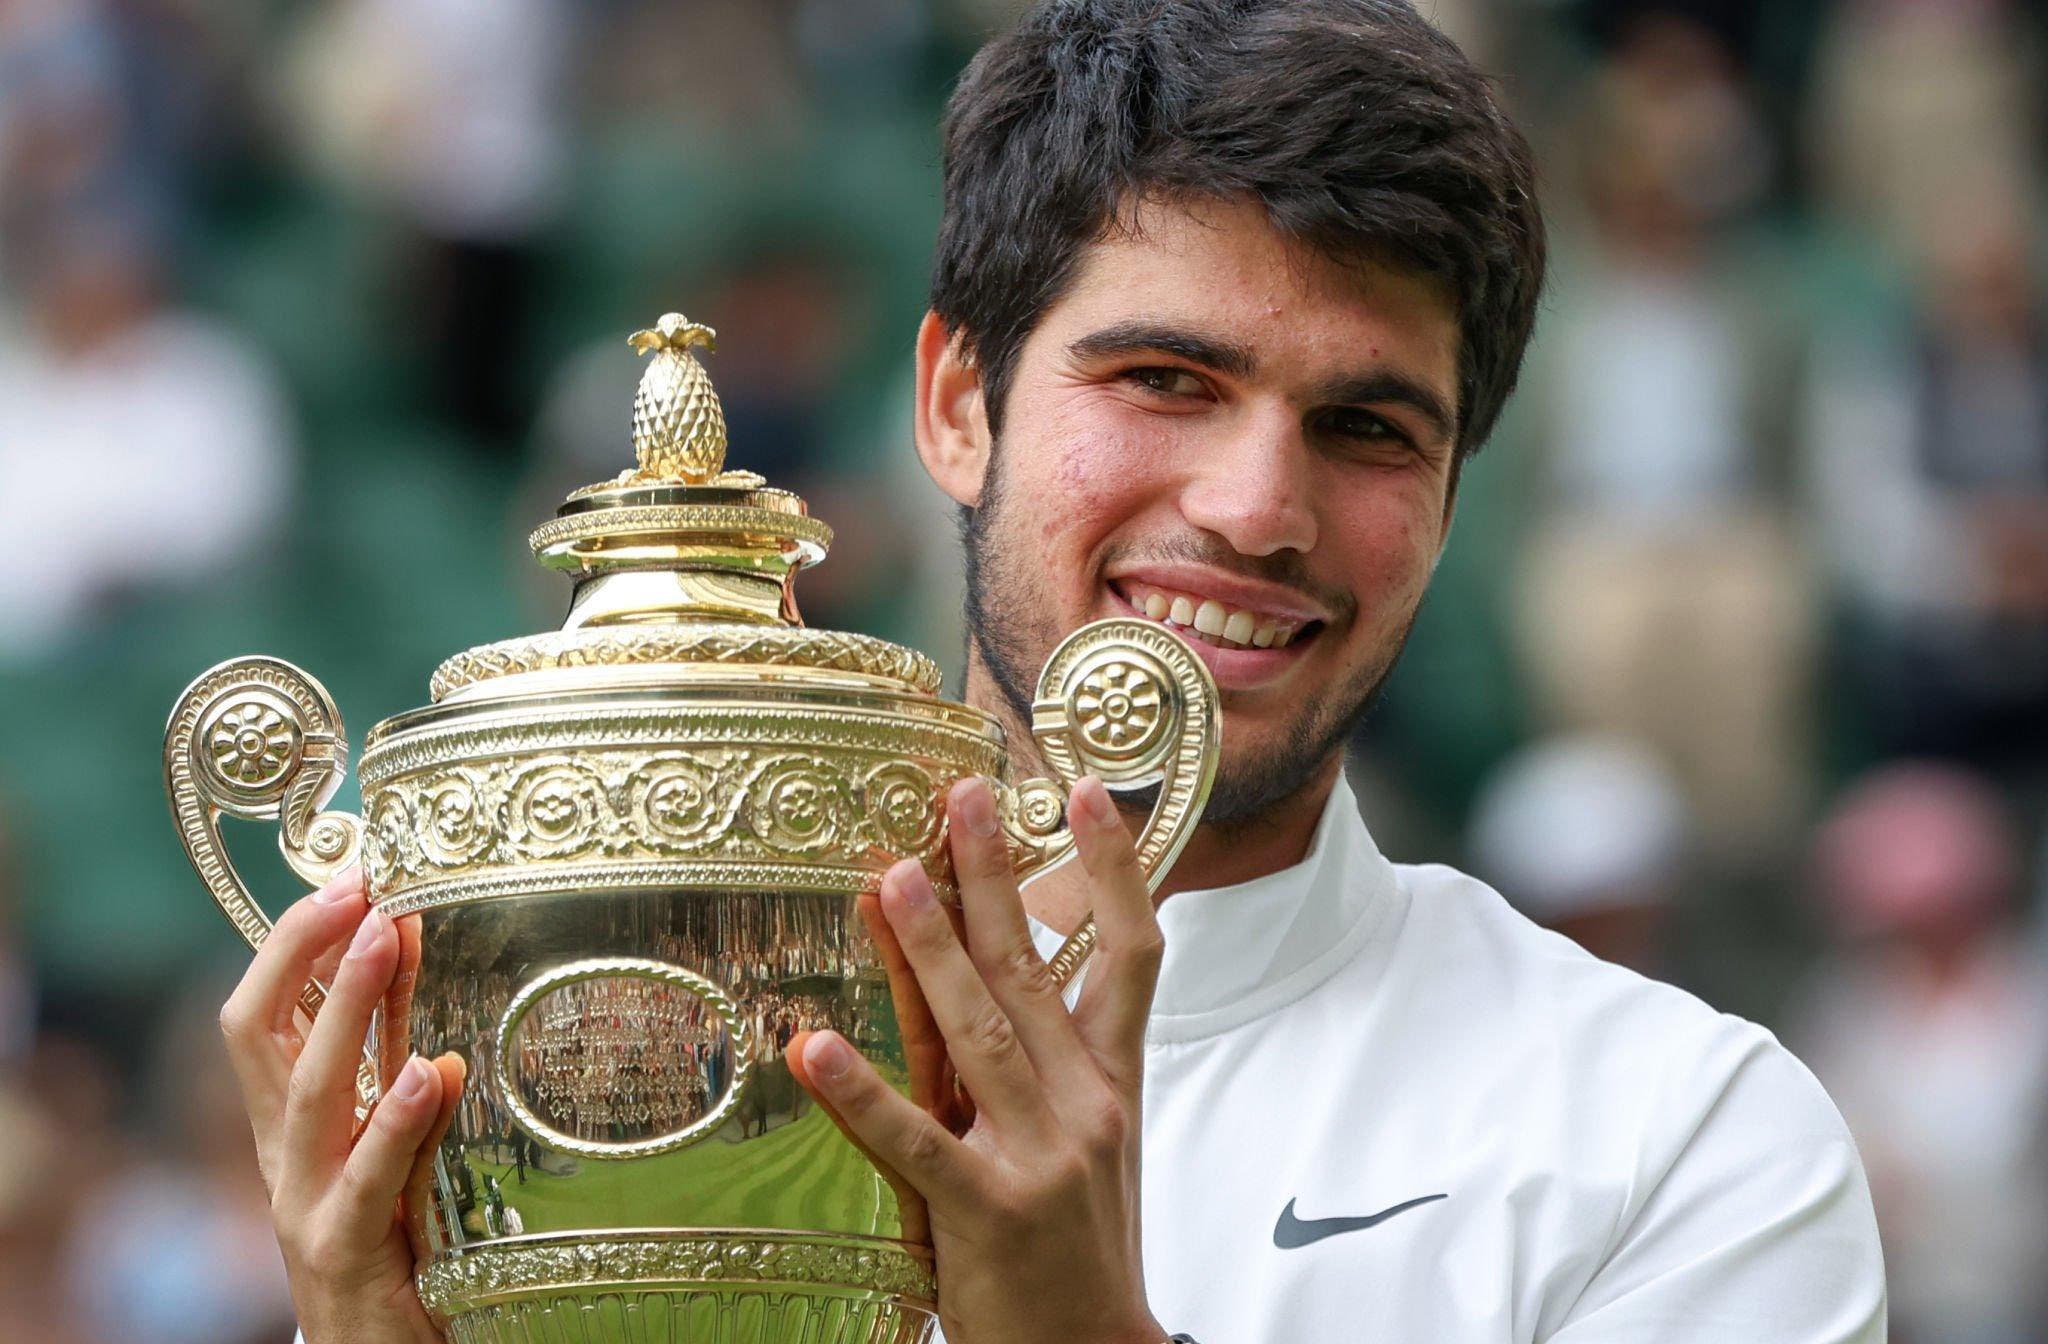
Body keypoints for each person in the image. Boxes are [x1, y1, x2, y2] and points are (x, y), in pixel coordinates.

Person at [218, 3, 1886, 1341]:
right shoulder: (576, 1083)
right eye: (1166, 378)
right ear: (955, 404)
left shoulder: (1679, 1140)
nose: (1258, 509)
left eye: (1368, 428)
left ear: (1455, 500)